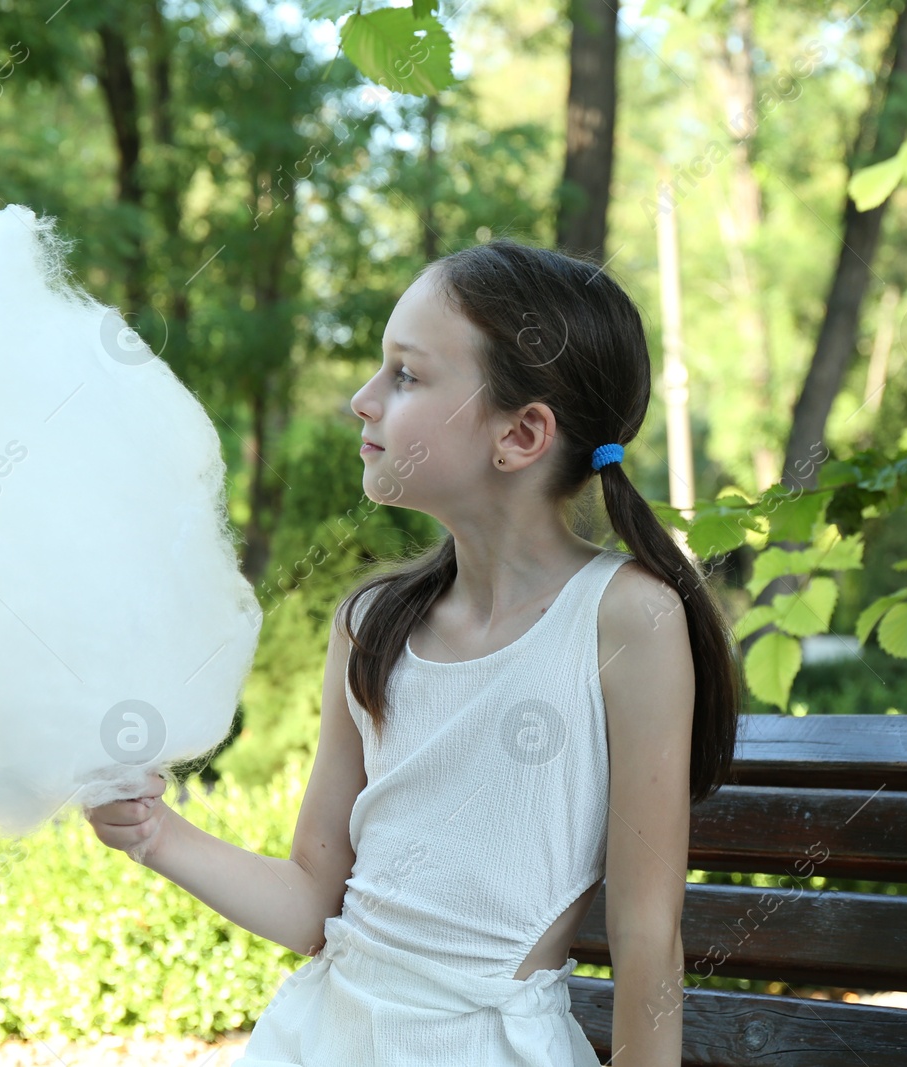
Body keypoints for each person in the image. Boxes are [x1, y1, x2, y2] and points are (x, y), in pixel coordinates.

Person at [85, 238, 744, 1066]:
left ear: (522, 432)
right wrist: (153, 833)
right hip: (318, 1038)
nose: (363, 399)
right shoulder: (372, 624)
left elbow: (649, 934)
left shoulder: (626, 620)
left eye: (405, 374)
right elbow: (312, 904)